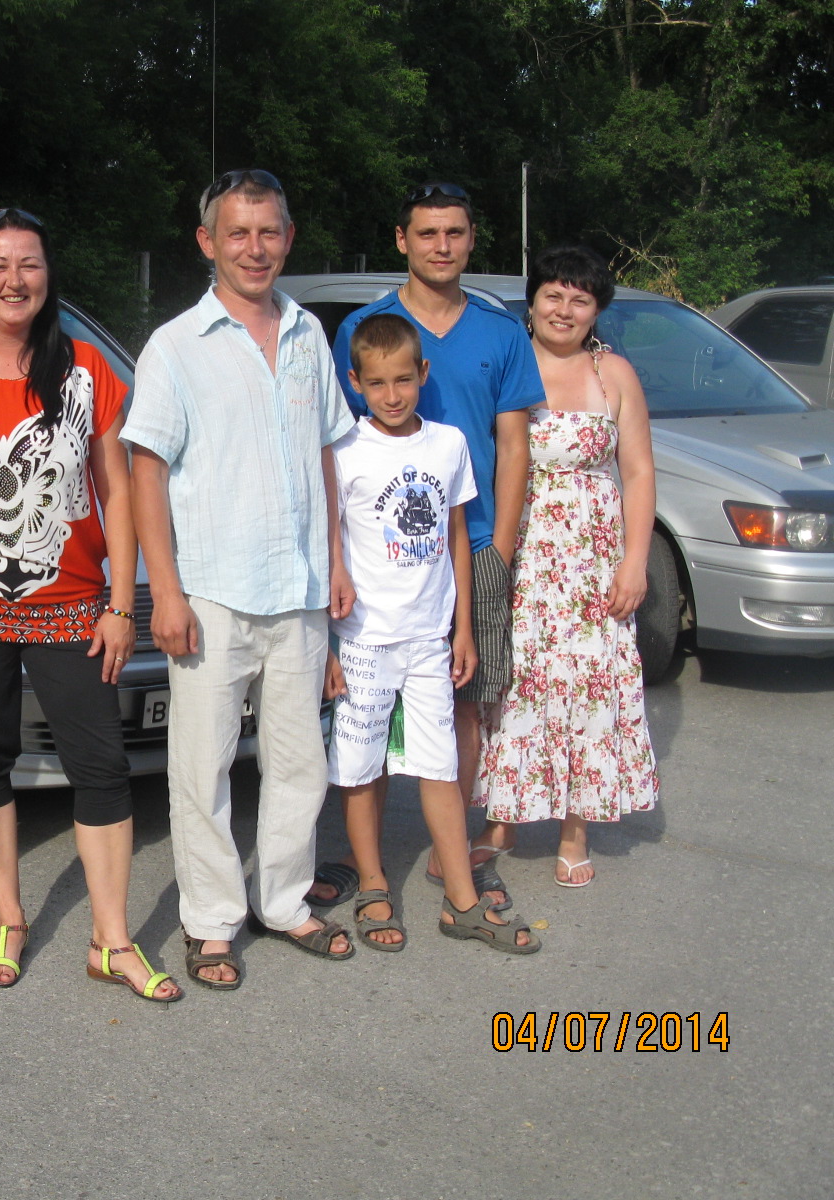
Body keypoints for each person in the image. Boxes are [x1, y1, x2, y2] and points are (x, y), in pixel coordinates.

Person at [0, 208, 180, 1002]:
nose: (14, 280)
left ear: (48, 276)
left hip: (72, 606)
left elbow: (117, 491)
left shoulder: (86, 370)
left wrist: (121, 605)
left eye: (30, 264)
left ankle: (112, 939)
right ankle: (10, 918)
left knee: (102, 765)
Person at [125, 169, 357, 989]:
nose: (254, 248)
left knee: (299, 764)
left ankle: (285, 901)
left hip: (300, 590)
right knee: (204, 768)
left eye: (268, 232)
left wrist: (336, 561)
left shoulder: (308, 335)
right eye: (238, 233)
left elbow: (326, 453)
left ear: (287, 238)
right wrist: (168, 593)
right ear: (208, 242)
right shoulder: (176, 347)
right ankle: (212, 920)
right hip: (214, 593)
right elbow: (146, 472)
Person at [325, 182, 544, 918]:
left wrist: (499, 548)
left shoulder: (499, 330)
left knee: (464, 707)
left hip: (471, 546)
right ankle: (371, 865)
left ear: (472, 239)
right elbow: (339, 455)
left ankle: (451, 858)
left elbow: (513, 444)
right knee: (371, 717)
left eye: (454, 232)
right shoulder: (364, 328)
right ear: (402, 240)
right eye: (427, 233)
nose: (441, 246)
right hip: (381, 568)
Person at [473, 245, 659, 883]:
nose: (564, 309)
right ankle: (502, 817)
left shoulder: (615, 374)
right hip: (520, 552)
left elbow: (639, 472)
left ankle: (575, 828)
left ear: (596, 311)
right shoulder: (508, 361)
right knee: (514, 684)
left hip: (593, 563)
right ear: (532, 301)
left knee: (588, 688)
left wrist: (635, 563)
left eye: (580, 300)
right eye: (553, 294)